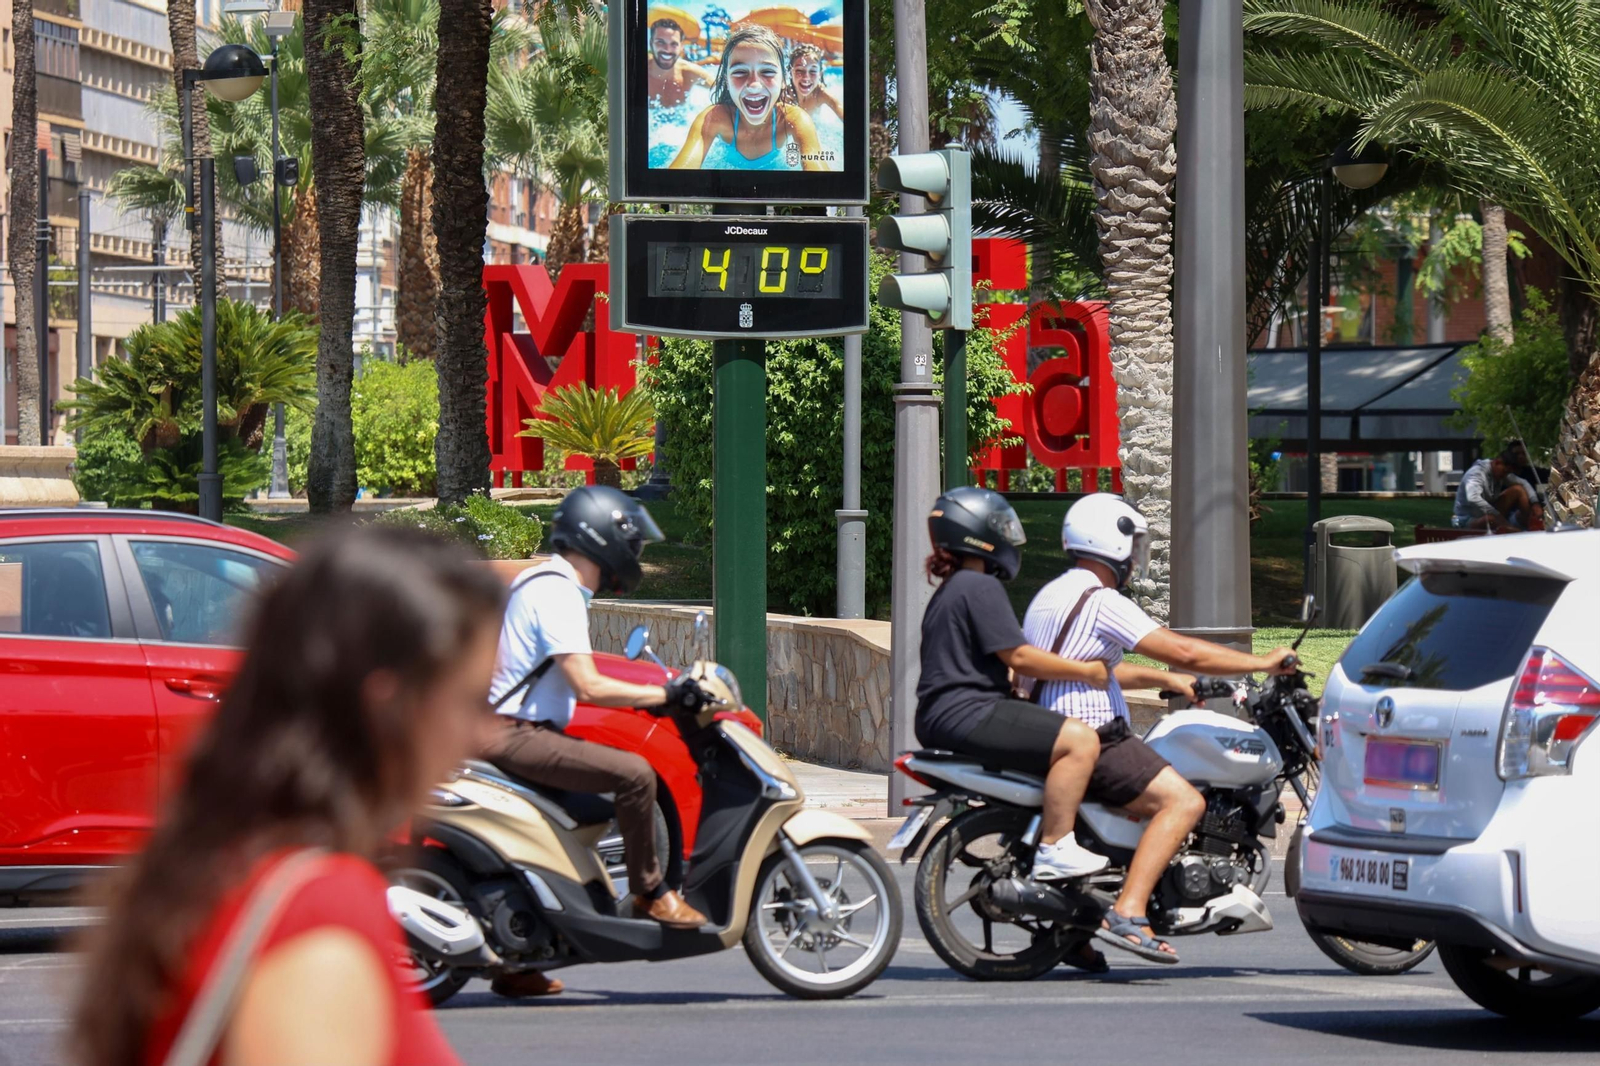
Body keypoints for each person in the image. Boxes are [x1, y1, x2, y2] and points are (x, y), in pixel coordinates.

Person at [72, 526, 507, 1066]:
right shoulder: (319, 912)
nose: (486, 734)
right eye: (470, 699)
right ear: (389, 704)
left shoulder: (224, 865)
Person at [1020, 493, 1298, 966]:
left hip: (1053, 728)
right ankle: (1129, 912)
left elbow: (1092, 668)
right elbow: (1181, 650)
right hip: (1096, 735)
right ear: (1112, 541)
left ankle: (1076, 928)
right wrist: (1262, 662)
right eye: (1134, 545)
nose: (1136, 559)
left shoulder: (1052, 595)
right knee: (1184, 800)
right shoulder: (1102, 599)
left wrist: (1162, 680)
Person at [481, 485, 708, 1002]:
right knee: (634, 774)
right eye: (630, 543)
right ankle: (650, 893)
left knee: (586, 816)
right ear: (602, 538)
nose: (634, 556)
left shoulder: (549, 584)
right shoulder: (556, 589)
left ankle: (521, 954)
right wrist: (664, 692)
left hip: (517, 732)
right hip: (515, 736)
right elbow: (587, 683)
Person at [915, 486, 1114, 882]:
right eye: (1001, 527)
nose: (1008, 537)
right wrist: (1088, 672)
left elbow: (989, 660)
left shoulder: (952, 590)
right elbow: (1019, 657)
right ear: (977, 532)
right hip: (969, 713)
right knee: (1081, 741)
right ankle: (1056, 846)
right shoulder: (979, 586)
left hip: (944, 715)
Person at [668, 25, 826, 171]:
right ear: (726, 81)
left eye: (767, 72)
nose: (754, 85)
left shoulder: (794, 119)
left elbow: (820, 176)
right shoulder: (715, 118)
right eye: (740, 72)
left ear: (783, 81)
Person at [1453, 443, 1543, 532]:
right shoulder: (1476, 474)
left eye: (1507, 473)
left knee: (1518, 490)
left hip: (1491, 513)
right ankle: (1517, 533)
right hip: (1468, 518)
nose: (1504, 476)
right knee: (1490, 519)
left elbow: (1524, 483)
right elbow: (1473, 498)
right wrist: (1496, 514)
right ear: (1497, 462)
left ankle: (1531, 525)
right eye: (1504, 471)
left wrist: (1535, 503)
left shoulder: (1502, 474)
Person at [646, 18, 712, 107]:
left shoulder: (689, 73)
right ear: (651, 44)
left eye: (674, 44)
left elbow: (723, 89)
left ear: (681, 47)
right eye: (661, 42)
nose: (667, 49)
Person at [782, 43, 843, 120]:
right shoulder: (784, 96)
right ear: (790, 72)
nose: (806, 77)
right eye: (800, 70)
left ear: (820, 74)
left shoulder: (820, 94)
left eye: (813, 71)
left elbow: (839, 108)